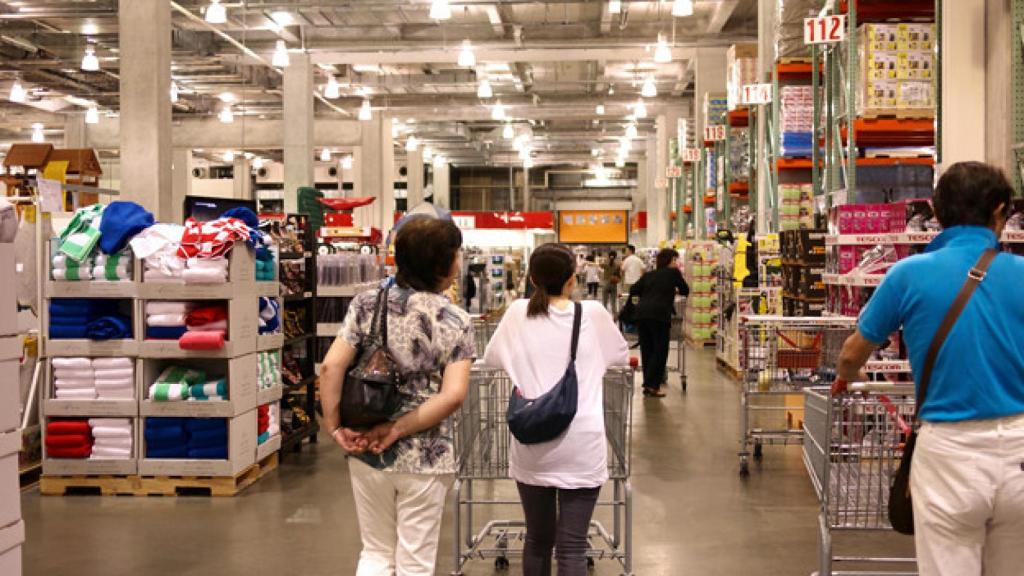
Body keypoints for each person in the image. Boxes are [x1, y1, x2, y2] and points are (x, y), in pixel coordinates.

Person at [836, 162, 1024, 576]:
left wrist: (847, 378)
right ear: (999, 210)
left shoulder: (907, 274)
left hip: (949, 455)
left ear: (938, 215)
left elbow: (851, 354)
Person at [320, 217, 476, 576]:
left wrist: (335, 429)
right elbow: (452, 396)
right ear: (443, 263)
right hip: (425, 453)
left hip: (363, 446)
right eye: (455, 255)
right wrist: (397, 429)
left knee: (374, 552)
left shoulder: (365, 304)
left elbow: (330, 368)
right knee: (415, 562)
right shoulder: (455, 320)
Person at [483, 243, 628, 576]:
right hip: (581, 442)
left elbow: (491, 358)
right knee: (573, 548)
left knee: (537, 539)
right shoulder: (591, 314)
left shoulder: (518, 313)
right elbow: (619, 356)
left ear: (533, 278)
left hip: (533, 440)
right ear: (572, 280)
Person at [630, 248, 689, 397]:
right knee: (660, 350)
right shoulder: (674, 273)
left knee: (647, 349)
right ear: (671, 260)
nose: (677, 263)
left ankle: (648, 384)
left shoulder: (650, 274)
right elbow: (685, 290)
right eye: (676, 260)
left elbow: (634, 289)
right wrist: (672, 290)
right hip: (659, 315)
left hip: (642, 314)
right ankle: (652, 385)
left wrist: (650, 292)